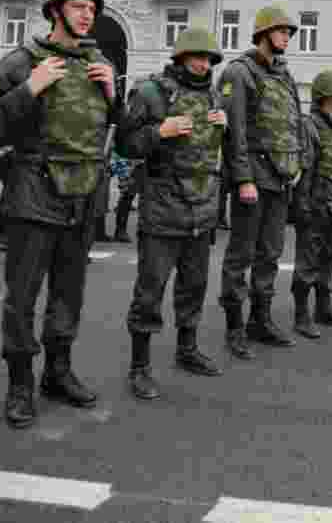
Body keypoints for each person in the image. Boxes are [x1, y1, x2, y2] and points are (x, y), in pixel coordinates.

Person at [0, 0, 120, 430]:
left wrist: (114, 95)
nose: (87, 15)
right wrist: (30, 88)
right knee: (22, 297)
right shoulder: (20, 62)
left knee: (68, 293)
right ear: (56, 11)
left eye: (92, 10)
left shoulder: (99, 63)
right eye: (79, 7)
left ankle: (57, 372)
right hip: (34, 194)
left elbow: (117, 128)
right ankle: (20, 383)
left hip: (84, 196)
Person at [119, 26, 226, 400]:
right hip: (163, 209)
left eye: (208, 58)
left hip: (202, 207)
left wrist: (223, 129)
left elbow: (209, 151)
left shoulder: (214, 94)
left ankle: (187, 348)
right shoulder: (152, 92)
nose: (202, 64)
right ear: (180, 57)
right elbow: (125, 144)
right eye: (196, 56)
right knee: (150, 291)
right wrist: (158, 132)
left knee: (194, 286)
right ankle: (140, 366)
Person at [218, 5, 304, 359]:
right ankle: (235, 327)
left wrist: (296, 164)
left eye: (289, 31)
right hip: (253, 179)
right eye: (282, 30)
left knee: (270, 253)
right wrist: (242, 179)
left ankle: (261, 319)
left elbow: (295, 122)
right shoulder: (239, 72)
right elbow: (233, 131)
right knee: (241, 255)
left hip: (281, 179)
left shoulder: (283, 74)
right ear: (264, 32)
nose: (287, 37)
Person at [289, 68, 332, 338]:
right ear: (329, 96)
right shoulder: (311, 126)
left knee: (329, 260)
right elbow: (306, 168)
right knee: (307, 264)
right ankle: (301, 315)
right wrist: (302, 206)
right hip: (317, 207)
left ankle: (324, 308)